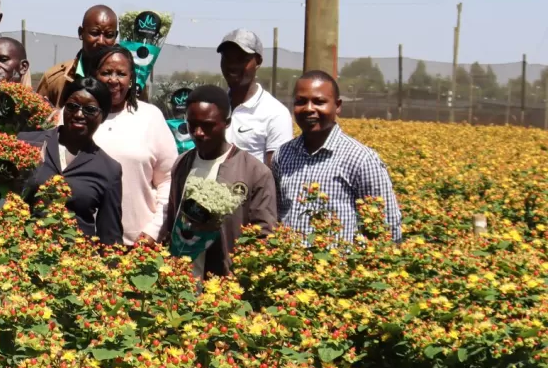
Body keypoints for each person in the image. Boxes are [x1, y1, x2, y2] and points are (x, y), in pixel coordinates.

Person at [158, 85, 277, 279]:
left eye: (207, 125)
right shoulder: (182, 164)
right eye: (192, 124)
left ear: (227, 122)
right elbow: (173, 220)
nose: (198, 132)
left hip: (227, 284)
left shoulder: (254, 172)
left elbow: (264, 235)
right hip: (183, 281)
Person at [275, 71, 402, 243]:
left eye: (319, 102)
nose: (309, 108)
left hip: (339, 260)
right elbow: (277, 214)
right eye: (301, 102)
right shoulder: (282, 155)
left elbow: (388, 226)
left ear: (338, 106)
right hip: (288, 258)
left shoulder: (361, 159)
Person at [84, 44, 178, 245]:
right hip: (81, 243)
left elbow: (168, 180)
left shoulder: (150, 117)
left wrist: (154, 231)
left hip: (137, 245)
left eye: (121, 73)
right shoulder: (74, 115)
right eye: (106, 73)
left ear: (132, 78)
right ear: (93, 75)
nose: (113, 80)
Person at [18, 77, 123, 245]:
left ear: (103, 116)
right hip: (22, 252)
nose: (79, 114)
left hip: (76, 257)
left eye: (90, 110)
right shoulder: (28, 143)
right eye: (72, 106)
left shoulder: (109, 169)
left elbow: (110, 237)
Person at [217, 28, 294, 167]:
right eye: (227, 58)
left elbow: (275, 172)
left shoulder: (275, 114)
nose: (232, 65)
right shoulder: (216, 106)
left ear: (258, 62)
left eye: (241, 59)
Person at [36, 5, 119, 108]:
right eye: (94, 33)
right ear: (81, 33)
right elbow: (36, 115)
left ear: (115, 36)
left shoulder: (123, 83)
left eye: (109, 35)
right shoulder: (55, 79)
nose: (101, 41)